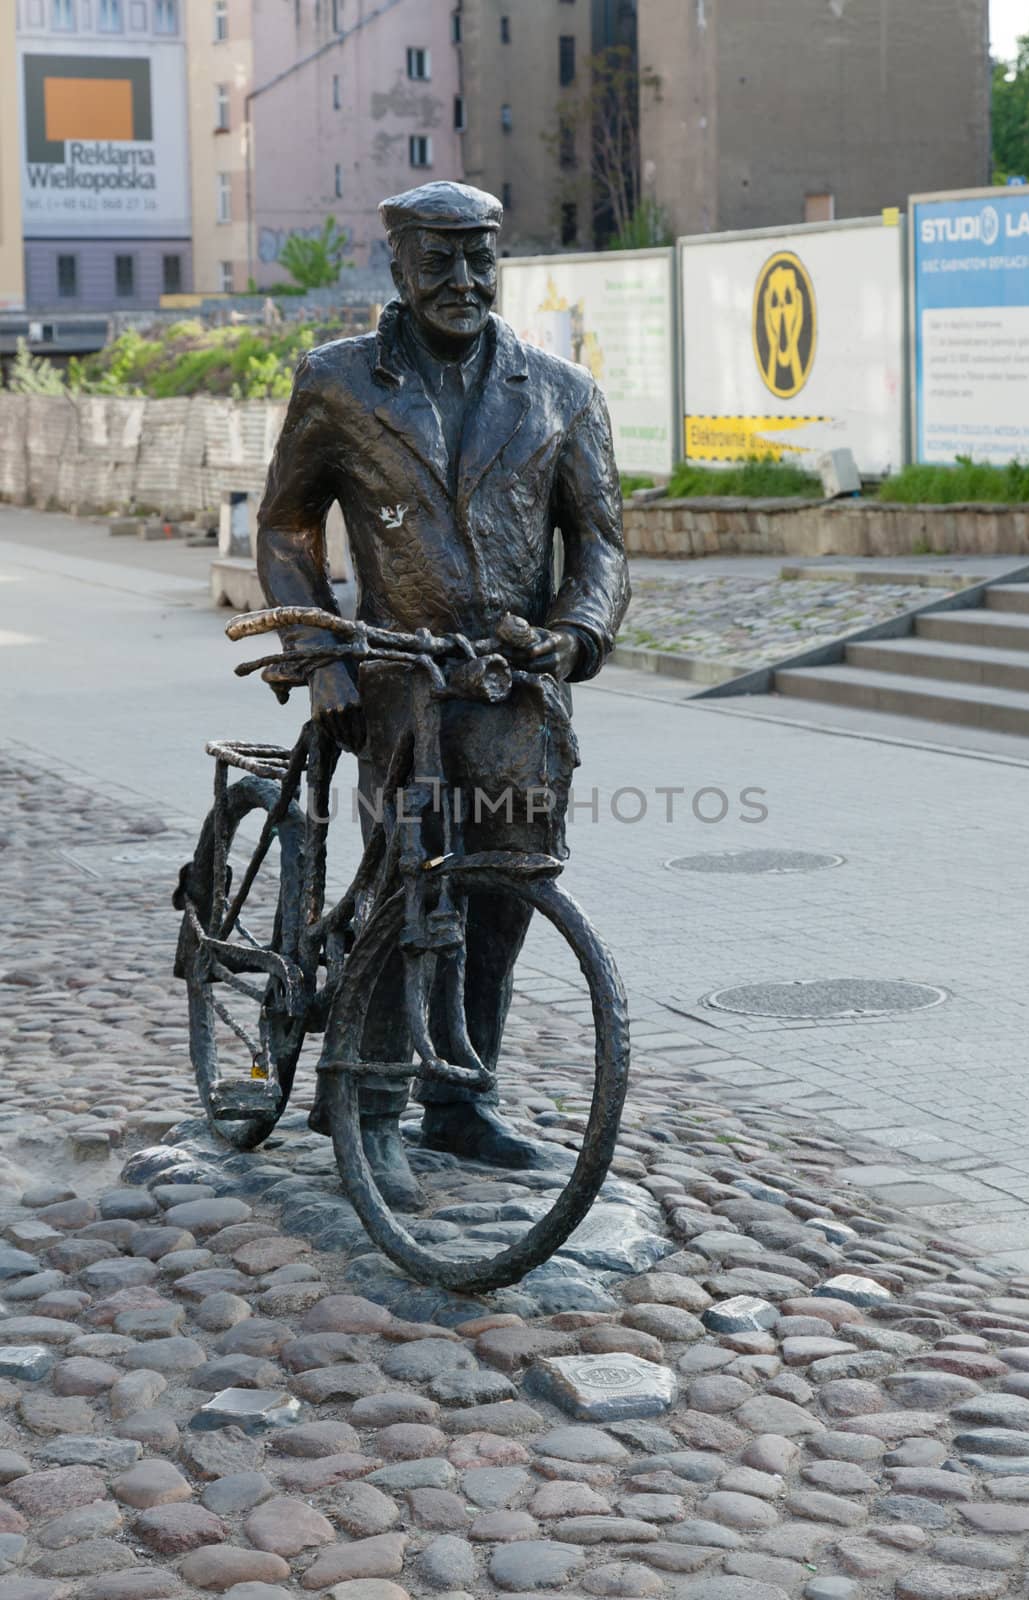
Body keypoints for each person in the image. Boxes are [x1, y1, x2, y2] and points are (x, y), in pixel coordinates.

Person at [257, 180, 629, 1208]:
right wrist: (319, 657)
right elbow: (286, 531)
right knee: (405, 883)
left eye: (479, 257)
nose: (462, 279)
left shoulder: (559, 391)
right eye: (439, 259)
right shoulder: (338, 384)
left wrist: (571, 633)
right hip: (396, 683)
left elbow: (598, 542)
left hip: (515, 687)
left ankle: (460, 1101)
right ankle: (365, 1107)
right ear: (398, 266)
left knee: (503, 898)